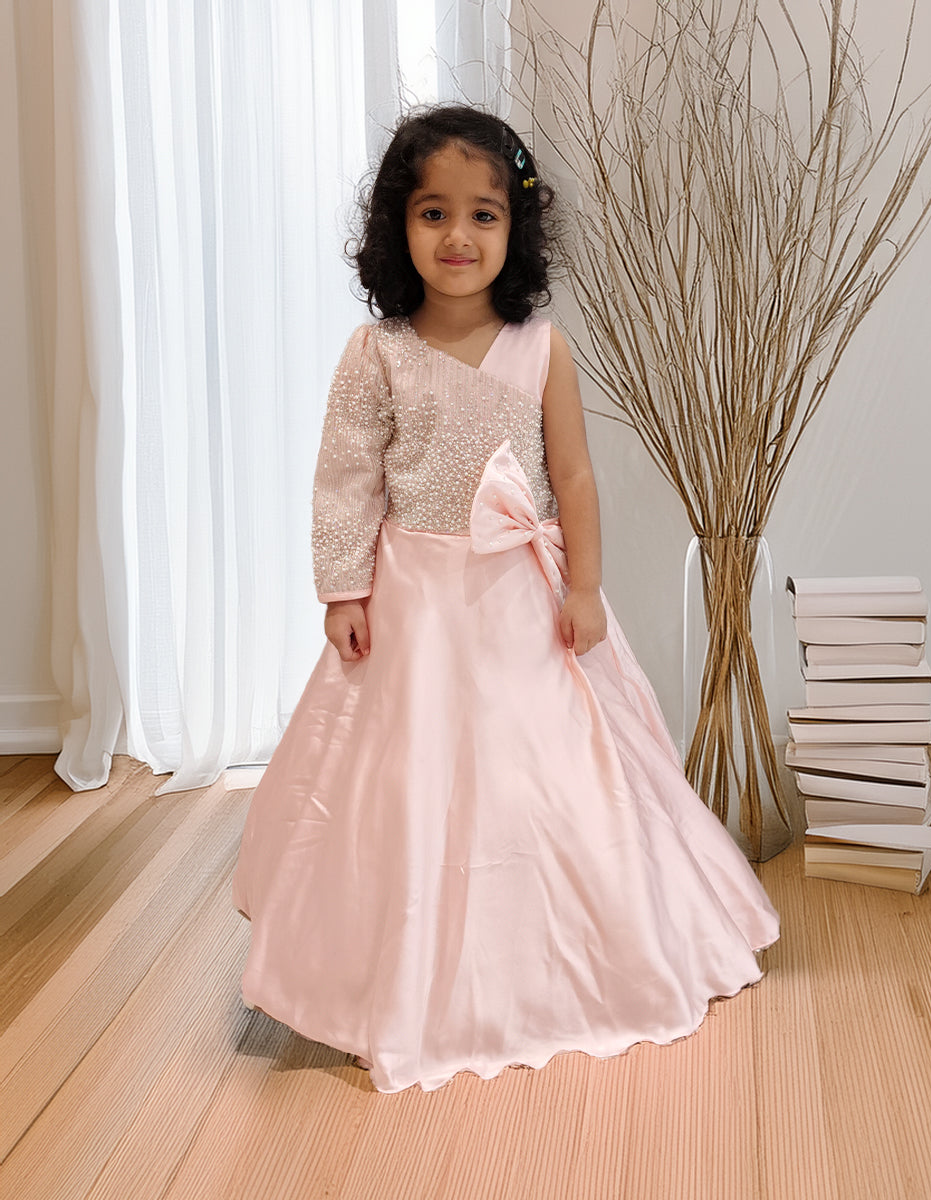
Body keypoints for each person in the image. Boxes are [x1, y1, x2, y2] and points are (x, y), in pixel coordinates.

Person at [232, 104, 779, 1094]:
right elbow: (345, 480)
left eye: (483, 215)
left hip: (523, 599)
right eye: (433, 212)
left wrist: (586, 586)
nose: (458, 236)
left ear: (515, 230)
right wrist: (343, 590)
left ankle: (567, 956)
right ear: (397, 225)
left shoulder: (541, 347)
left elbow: (572, 478)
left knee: (548, 769)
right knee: (409, 778)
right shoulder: (376, 352)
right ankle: (394, 972)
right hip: (414, 607)